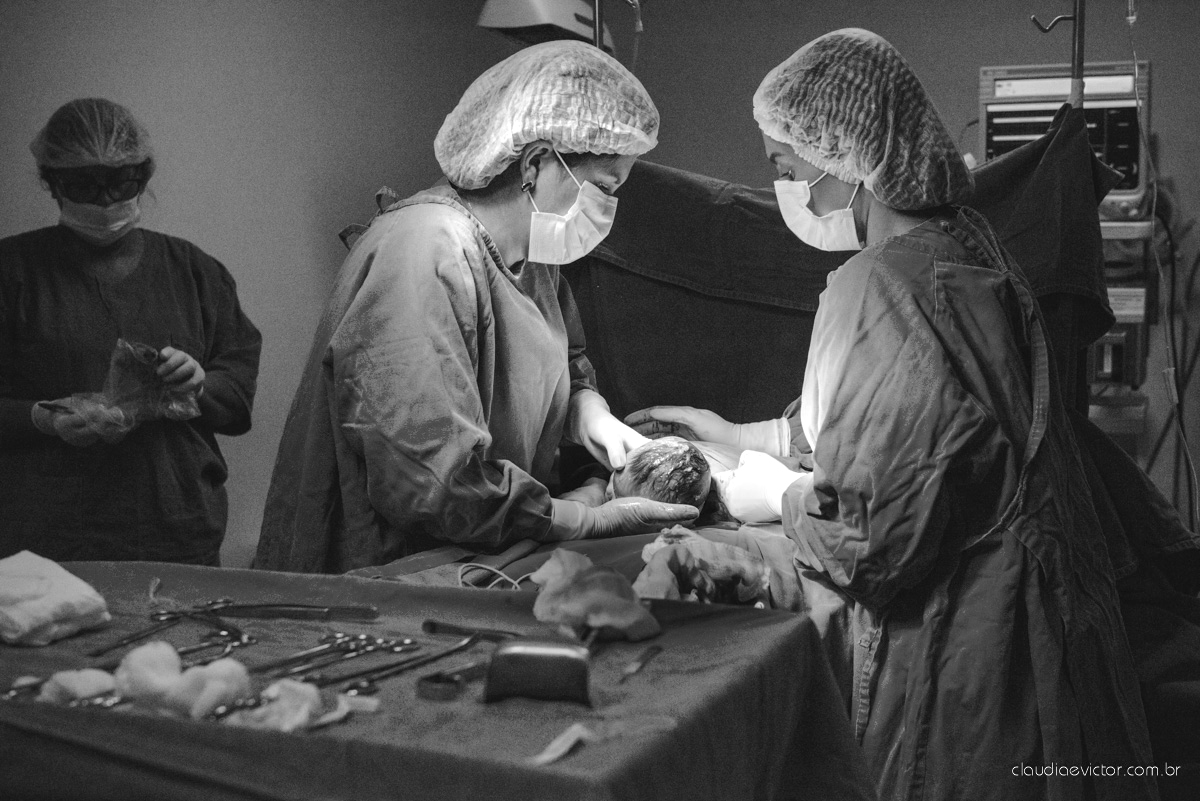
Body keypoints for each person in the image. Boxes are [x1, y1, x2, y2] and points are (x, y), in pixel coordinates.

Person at [629, 29, 1157, 801]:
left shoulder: (888, 285)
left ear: (842, 151)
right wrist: (745, 436)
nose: (780, 184)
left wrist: (774, 495)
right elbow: (915, 421)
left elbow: (872, 537)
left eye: (785, 165)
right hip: (1046, 623)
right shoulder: (963, 248)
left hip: (978, 649)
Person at [256, 41, 697, 575]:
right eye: (605, 186)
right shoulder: (422, 252)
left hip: (476, 556)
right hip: (389, 581)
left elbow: (566, 364)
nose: (608, 209)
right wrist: (582, 519)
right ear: (536, 162)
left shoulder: (535, 256)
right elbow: (434, 482)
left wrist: (588, 415)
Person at [0, 98, 262, 565]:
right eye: (83, 184)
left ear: (145, 174)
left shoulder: (195, 272)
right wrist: (44, 418)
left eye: (121, 181)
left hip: (176, 530)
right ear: (50, 181)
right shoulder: (12, 274)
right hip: (47, 541)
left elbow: (237, 403)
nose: (104, 201)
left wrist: (198, 385)